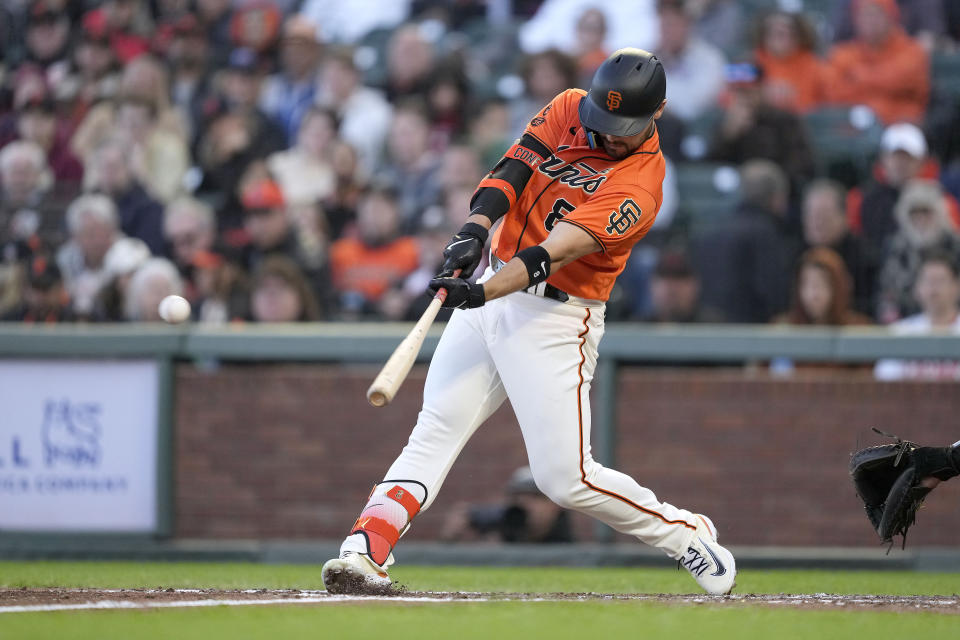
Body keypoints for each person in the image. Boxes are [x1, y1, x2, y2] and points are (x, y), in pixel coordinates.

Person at [321, 48, 736, 596]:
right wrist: (472, 231)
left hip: (555, 318)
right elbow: (513, 168)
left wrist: (481, 291)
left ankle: (687, 535)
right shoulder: (569, 107)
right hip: (494, 284)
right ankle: (364, 548)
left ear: (654, 115)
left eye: (622, 128)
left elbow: (554, 252)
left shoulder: (643, 182)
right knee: (437, 426)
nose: (607, 135)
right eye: (602, 122)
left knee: (565, 478)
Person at [693, 159, 797, 323]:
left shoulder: (713, 231)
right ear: (776, 197)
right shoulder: (766, 233)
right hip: (752, 335)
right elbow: (771, 291)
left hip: (710, 332)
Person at [825, 0, 929, 125]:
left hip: (898, 123)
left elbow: (903, 79)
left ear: (891, 17)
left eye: (876, 14)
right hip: (854, 126)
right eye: (865, 15)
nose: (870, 21)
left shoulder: (912, 50)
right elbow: (833, 91)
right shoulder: (844, 54)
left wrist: (860, 77)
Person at [876, 180, 960, 322]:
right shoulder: (895, 247)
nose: (921, 219)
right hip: (906, 322)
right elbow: (886, 292)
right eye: (914, 212)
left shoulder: (955, 245)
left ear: (939, 213)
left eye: (926, 212)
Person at [875, 251, 960, 381]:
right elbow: (886, 380)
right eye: (928, 281)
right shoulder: (900, 332)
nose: (933, 289)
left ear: (956, 286)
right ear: (917, 287)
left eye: (940, 281)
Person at [440, 466, 575, 543]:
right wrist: (449, 541)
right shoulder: (501, 527)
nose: (524, 503)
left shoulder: (567, 543)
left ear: (557, 504)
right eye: (517, 496)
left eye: (535, 497)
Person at [801, 180, 878, 316]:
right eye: (812, 215)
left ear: (844, 216)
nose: (817, 222)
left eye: (825, 215)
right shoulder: (795, 256)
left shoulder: (866, 256)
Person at [775, 247, 872, 327]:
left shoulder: (860, 330)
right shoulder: (783, 329)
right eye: (806, 284)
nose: (813, 294)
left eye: (821, 284)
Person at [752, 11, 826, 114]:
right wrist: (760, 95)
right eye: (774, 31)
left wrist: (791, 100)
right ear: (764, 35)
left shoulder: (814, 66)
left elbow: (828, 105)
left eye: (788, 31)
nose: (781, 35)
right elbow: (727, 99)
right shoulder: (751, 61)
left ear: (799, 36)